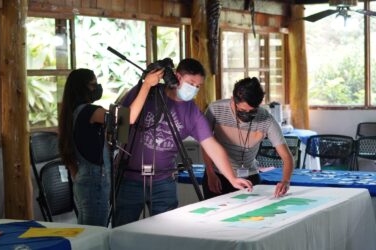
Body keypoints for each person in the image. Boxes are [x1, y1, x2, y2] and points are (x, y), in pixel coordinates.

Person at [115, 58, 253, 226]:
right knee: (121, 231)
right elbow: (125, 120)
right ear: (177, 77)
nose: (194, 89)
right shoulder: (147, 92)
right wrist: (146, 85)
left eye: (198, 86)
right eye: (191, 83)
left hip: (164, 181)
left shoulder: (191, 112)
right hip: (130, 177)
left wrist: (231, 177)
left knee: (166, 235)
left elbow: (212, 145)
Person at [58, 68, 160, 226]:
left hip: (83, 179)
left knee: (87, 230)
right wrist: (145, 86)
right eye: (93, 85)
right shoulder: (90, 111)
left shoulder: (73, 113)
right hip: (95, 180)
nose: (97, 88)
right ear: (81, 88)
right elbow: (127, 118)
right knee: (96, 233)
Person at [202, 77, 293, 199]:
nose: (246, 115)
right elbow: (206, 144)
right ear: (233, 99)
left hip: (250, 177)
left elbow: (287, 157)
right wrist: (210, 174)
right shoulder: (215, 110)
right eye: (242, 110)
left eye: (252, 111)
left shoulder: (266, 119)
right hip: (217, 175)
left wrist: (285, 181)